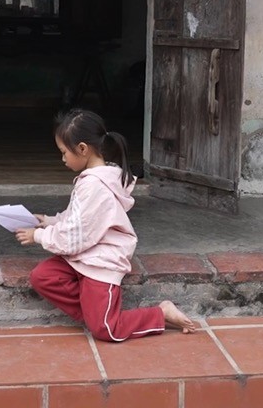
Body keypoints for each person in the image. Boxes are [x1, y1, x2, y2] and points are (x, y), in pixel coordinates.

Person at [15, 109, 197, 341]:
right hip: (84, 256)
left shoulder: (95, 186)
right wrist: (49, 221)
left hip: (100, 261)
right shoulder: (95, 178)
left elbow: (73, 237)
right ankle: (94, 311)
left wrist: (38, 236)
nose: (62, 159)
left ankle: (160, 313)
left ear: (82, 149)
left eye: (63, 153)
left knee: (107, 330)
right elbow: (78, 219)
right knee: (43, 276)